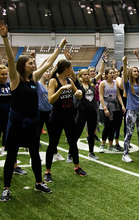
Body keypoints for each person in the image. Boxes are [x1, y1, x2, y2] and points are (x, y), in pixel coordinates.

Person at [0, 21, 62, 201]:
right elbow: (11, 59)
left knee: (35, 154)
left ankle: (38, 183)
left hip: (32, 123)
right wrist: (4, 37)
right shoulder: (14, 79)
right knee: (11, 155)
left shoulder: (34, 78)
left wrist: (60, 48)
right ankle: (6, 188)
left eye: (33, 62)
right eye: (30, 62)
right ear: (22, 65)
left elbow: (49, 62)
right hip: (17, 123)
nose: (34, 64)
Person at [44, 59, 87, 183]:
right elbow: (51, 100)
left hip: (69, 117)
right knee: (53, 144)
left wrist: (78, 93)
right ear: (65, 68)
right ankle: (47, 171)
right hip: (56, 118)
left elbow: (78, 95)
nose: (72, 70)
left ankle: (77, 167)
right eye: (70, 68)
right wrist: (62, 89)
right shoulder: (53, 81)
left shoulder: (69, 80)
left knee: (73, 142)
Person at [37, 67, 65, 161]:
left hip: (50, 111)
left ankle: (55, 152)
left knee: (52, 134)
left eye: (49, 72)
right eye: (46, 72)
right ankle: (35, 153)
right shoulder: (38, 84)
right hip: (40, 111)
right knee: (37, 134)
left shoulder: (51, 83)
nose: (48, 73)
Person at [75, 68, 103, 159]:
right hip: (82, 112)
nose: (87, 76)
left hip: (92, 112)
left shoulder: (92, 84)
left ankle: (91, 152)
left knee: (92, 133)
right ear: (80, 76)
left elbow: (101, 71)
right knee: (77, 133)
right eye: (85, 74)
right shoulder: (78, 85)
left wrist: (103, 61)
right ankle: (71, 153)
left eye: (88, 74)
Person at [99, 68, 126, 152]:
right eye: (110, 73)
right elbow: (101, 97)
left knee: (113, 127)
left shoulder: (116, 83)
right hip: (105, 106)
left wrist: (122, 105)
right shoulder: (103, 83)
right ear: (106, 74)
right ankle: (102, 144)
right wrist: (105, 108)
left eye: (113, 73)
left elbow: (118, 95)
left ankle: (110, 145)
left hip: (115, 107)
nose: (112, 74)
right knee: (107, 126)